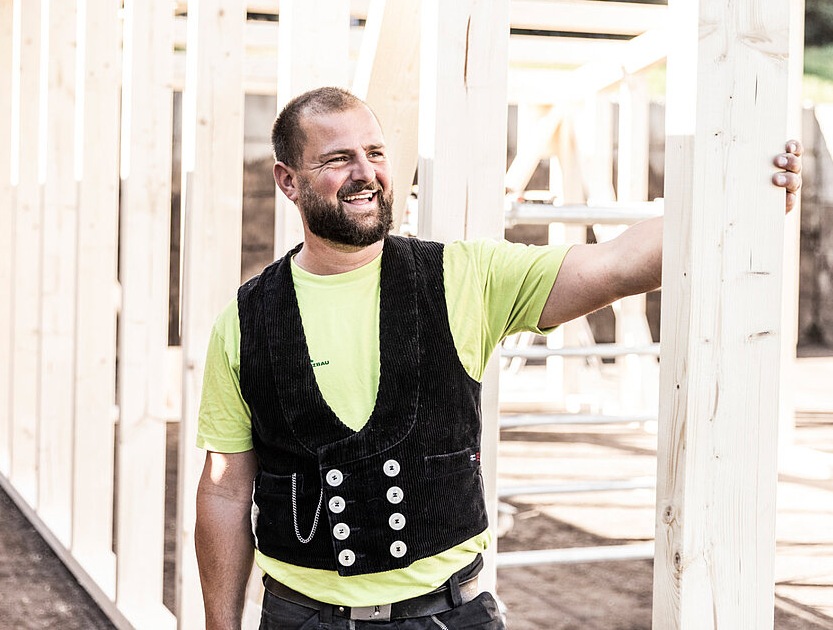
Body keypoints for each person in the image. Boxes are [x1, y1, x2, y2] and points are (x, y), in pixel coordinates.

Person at [194, 86, 803, 630]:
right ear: (287, 180)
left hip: (448, 616)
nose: (366, 173)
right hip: (302, 619)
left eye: (375, 153)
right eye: (337, 159)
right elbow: (225, 490)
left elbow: (616, 263)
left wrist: (738, 203)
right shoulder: (246, 323)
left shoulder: (465, 275)